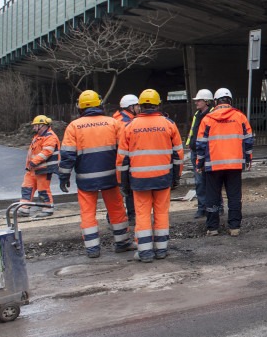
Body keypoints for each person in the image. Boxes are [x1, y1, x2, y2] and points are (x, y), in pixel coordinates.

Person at [58, 89, 133, 258]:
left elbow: (67, 155)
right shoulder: (113, 123)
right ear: (99, 104)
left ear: (80, 107)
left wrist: (64, 176)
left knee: (87, 213)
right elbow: (124, 150)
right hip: (111, 177)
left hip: (86, 179)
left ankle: (93, 249)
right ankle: (122, 242)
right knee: (116, 209)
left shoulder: (74, 126)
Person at [117, 89, 183, 262]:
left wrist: (123, 183)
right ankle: (161, 250)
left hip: (139, 181)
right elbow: (178, 155)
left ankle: (145, 252)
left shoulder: (130, 126)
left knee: (142, 214)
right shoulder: (168, 124)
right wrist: (176, 177)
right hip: (163, 178)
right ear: (158, 104)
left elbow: (122, 159)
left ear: (140, 106)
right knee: (161, 213)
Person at [196, 87, 253, 236]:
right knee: (234, 196)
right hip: (234, 165)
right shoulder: (240, 117)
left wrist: (199, 164)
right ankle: (234, 227)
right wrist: (248, 159)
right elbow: (248, 141)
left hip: (213, 165)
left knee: (212, 197)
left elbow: (201, 144)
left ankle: (213, 228)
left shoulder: (207, 119)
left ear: (215, 102)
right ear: (230, 101)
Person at [18, 115, 59, 217]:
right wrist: (30, 165)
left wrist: (33, 162)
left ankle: (47, 208)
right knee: (26, 187)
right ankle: (24, 208)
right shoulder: (38, 137)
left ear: (42, 125)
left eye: (36, 125)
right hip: (33, 168)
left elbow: (47, 152)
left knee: (43, 189)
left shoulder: (50, 137)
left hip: (44, 169)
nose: (34, 128)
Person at [112, 93, 140, 227]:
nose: (139, 108)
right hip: (124, 160)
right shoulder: (124, 122)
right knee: (127, 189)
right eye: (137, 105)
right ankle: (131, 215)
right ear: (130, 107)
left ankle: (114, 217)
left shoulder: (119, 119)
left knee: (123, 190)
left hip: (120, 159)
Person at [186, 89, 214, 218]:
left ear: (207, 102)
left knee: (212, 181)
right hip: (196, 151)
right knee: (199, 182)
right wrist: (190, 144)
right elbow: (193, 131)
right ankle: (202, 208)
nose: (196, 102)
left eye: (199, 100)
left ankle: (214, 206)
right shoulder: (198, 114)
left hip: (208, 153)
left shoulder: (213, 114)